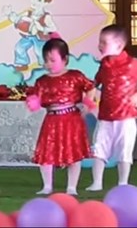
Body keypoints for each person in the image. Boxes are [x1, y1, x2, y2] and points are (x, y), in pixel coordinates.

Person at [88, 24, 137, 191]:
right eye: (100, 41)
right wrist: (90, 98)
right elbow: (96, 82)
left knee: (125, 151)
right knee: (99, 149)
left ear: (119, 45)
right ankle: (97, 182)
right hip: (105, 116)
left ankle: (123, 183)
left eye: (104, 42)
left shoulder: (131, 64)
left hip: (126, 117)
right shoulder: (105, 64)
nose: (100, 45)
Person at [25, 37, 96, 196]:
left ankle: (72, 187)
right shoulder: (42, 81)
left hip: (72, 119)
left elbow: (90, 87)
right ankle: (47, 186)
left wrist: (87, 103)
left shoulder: (75, 76)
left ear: (65, 59)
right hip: (51, 119)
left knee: (74, 153)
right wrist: (33, 102)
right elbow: (36, 98)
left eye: (52, 60)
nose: (48, 64)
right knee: (46, 152)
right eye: (46, 60)